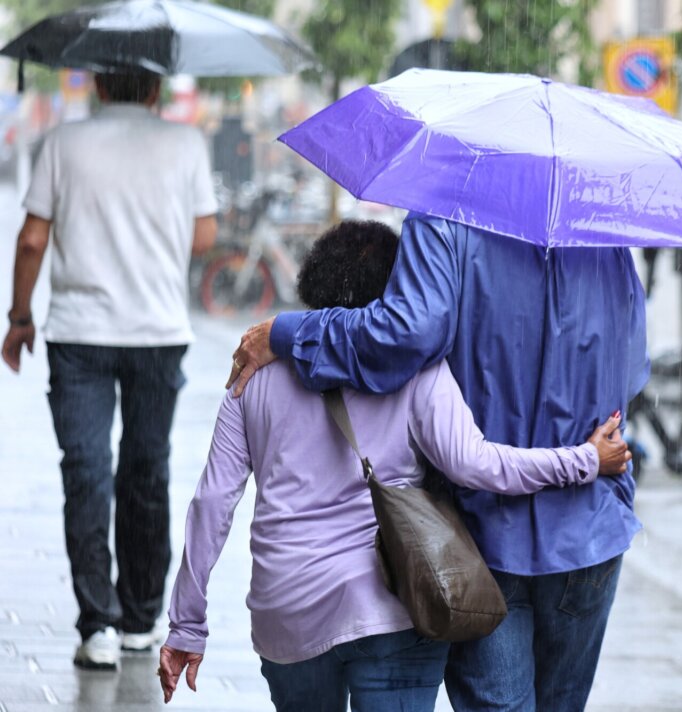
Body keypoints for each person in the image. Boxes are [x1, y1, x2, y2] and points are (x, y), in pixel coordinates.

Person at [158, 220, 631, 710]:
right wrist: (584, 460)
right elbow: (477, 465)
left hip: (288, 612)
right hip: (394, 602)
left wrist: (187, 623)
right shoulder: (419, 370)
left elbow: (212, 503)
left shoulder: (255, 372)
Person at [1, 71, 218, 670]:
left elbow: (30, 241)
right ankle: (141, 620)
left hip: (78, 336)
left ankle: (96, 624)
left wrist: (21, 317)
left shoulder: (64, 144)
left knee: (87, 472)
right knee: (146, 471)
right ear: (155, 88)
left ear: (97, 82)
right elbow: (204, 237)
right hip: (157, 335)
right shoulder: (186, 144)